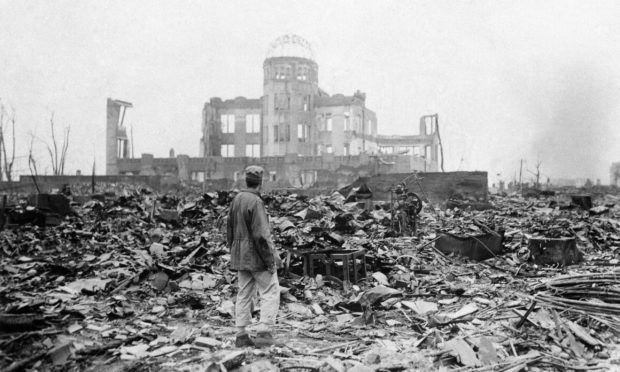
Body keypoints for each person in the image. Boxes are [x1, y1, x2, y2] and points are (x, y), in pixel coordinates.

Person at [227, 165, 280, 348]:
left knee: (244, 293)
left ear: (246, 180)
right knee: (270, 290)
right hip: (256, 257)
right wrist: (270, 260)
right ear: (261, 183)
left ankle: (241, 335)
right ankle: (264, 332)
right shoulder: (256, 202)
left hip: (240, 256)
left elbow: (229, 230)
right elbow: (261, 236)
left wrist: (234, 251)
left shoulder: (237, 199)